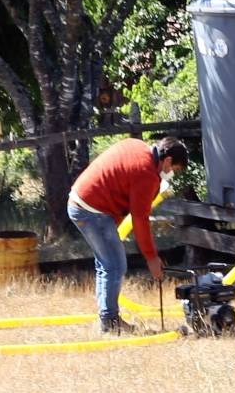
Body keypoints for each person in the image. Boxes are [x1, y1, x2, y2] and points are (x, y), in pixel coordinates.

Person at [68, 136, 188, 334]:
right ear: (167, 161)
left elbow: (118, 185)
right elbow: (139, 220)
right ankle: (109, 321)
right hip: (91, 210)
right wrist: (151, 257)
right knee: (115, 265)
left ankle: (106, 317)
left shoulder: (138, 146)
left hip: (81, 202)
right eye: (173, 169)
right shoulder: (146, 174)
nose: (171, 174)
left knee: (106, 263)